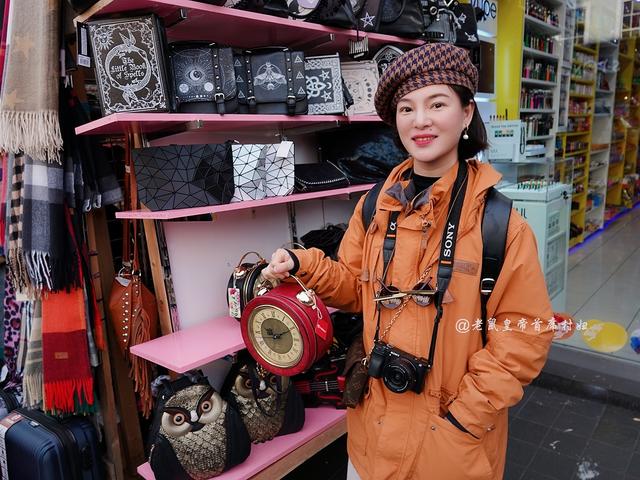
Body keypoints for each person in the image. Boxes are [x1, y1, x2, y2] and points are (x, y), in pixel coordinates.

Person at [262, 42, 554, 480]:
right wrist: (303, 265)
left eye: (437, 104)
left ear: (466, 113)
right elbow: (354, 288)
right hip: (372, 436)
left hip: (451, 450)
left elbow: (523, 335)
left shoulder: (500, 225)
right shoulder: (375, 205)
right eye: (406, 108)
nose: (420, 120)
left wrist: (462, 419)